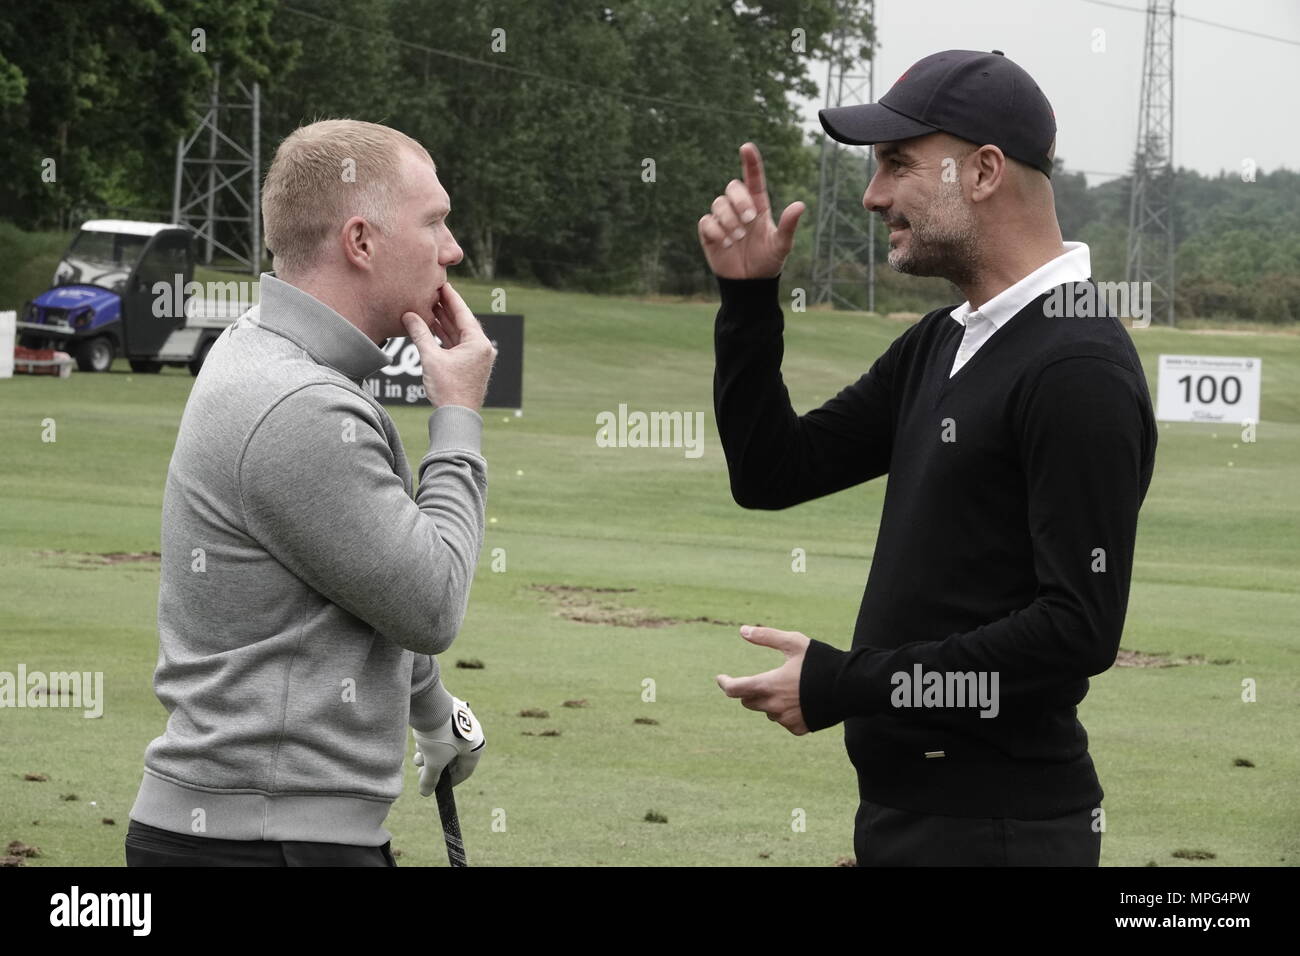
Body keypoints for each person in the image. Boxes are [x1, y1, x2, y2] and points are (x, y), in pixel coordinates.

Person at [702, 50, 1157, 866]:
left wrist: (847, 683)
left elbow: (1077, 629)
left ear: (983, 171)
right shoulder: (943, 342)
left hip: (1001, 832)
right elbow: (772, 473)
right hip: (909, 818)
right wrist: (746, 300)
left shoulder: (1077, 367)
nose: (874, 195)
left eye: (898, 165)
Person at [125, 119, 497, 866]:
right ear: (360, 242)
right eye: (435, 224)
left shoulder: (264, 349)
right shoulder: (300, 404)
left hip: (256, 832)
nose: (452, 251)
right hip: (269, 842)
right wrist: (458, 418)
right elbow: (429, 603)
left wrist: (430, 710)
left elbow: (363, 574)